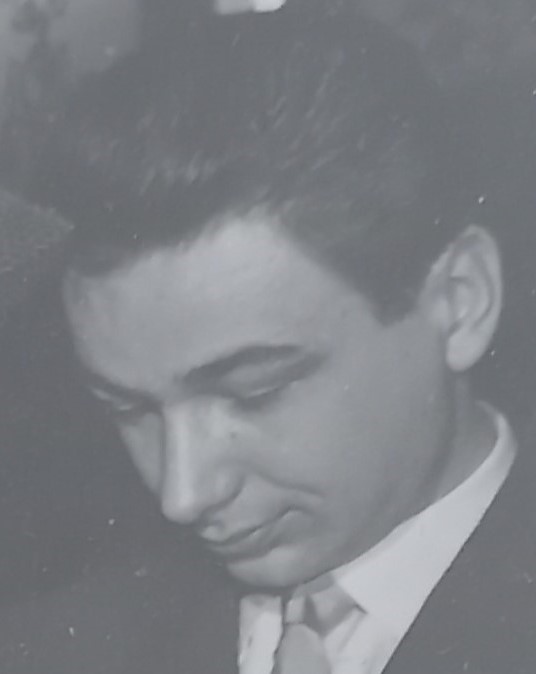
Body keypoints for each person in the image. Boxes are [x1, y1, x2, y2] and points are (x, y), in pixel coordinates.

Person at [6, 4, 536, 673]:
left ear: (460, 300)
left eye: (255, 392)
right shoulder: (46, 650)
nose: (183, 493)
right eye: (129, 408)